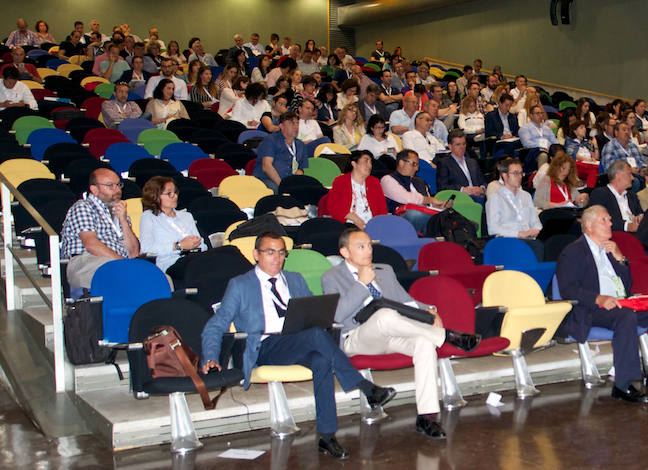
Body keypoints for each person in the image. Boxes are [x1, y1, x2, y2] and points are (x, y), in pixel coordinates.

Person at [200, 231, 392, 459]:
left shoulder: (295, 279)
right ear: (256, 254)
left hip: (297, 340)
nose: (277, 258)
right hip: (265, 345)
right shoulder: (240, 285)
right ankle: (365, 387)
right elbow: (216, 325)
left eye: (282, 253)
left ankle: (327, 436)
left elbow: (315, 312)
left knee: (321, 359)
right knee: (315, 336)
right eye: (270, 252)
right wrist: (210, 356)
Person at [322, 229, 481, 440]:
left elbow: (405, 302)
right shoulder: (331, 277)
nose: (368, 250)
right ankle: (449, 336)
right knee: (385, 314)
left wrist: (428, 310)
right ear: (344, 252)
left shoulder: (384, 270)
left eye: (369, 245)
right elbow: (337, 315)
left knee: (424, 344)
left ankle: (427, 416)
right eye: (360, 247)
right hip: (356, 337)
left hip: (390, 334)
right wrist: (362, 284)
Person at [555, 206, 648, 403]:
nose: (610, 223)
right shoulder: (572, 252)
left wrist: (620, 258)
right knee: (626, 316)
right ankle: (622, 384)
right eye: (604, 220)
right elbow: (568, 289)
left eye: (610, 219)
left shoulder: (611, 249)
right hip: (591, 310)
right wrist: (598, 298)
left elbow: (626, 286)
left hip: (619, 304)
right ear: (589, 225)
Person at [58, 168, 141, 289]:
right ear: (94, 190)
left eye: (118, 185)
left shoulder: (120, 211)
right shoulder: (83, 207)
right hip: (86, 261)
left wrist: (123, 220)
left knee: (162, 279)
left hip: (118, 262)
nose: (117, 190)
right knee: (122, 275)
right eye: (110, 186)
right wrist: (124, 264)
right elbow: (91, 244)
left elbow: (133, 252)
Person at [137, 176, 205, 274]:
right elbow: (146, 247)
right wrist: (179, 246)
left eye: (175, 192)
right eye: (169, 193)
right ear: (155, 196)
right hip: (171, 263)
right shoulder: (149, 217)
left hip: (194, 257)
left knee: (229, 251)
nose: (175, 196)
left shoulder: (186, 216)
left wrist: (197, 244)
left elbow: (201, 244)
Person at [587, 160, 648, 250]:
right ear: (618, 174)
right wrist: (627, 226)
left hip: (638, 234)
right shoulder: (600, 193)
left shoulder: (632, 196)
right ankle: (639, 247)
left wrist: (640, 217)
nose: (632, 178)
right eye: (629, 174)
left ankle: (638, 245)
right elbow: (598, 221)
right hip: (618, 235)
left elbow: (641, 213)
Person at [381, 150, 447, 235]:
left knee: (448, 214)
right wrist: (432, 200)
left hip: (424, 217)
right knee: (412, 214)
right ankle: (445, 222)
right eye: (413, 164)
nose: (417, 168)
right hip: (400, 219)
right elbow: (408, 199)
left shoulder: (419, 181)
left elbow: (428, 206)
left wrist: (439, 206)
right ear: (401, 163)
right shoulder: (387, 180)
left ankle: (447, 222)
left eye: (417, 165)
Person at [326, 151, 387, 229]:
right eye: (365, 161)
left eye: (370, 162)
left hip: (372, 225)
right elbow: (333, 205)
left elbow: (382, 208)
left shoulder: (374, 182)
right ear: (354, 164)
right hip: (349, 224)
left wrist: (378, 224)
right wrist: (354, 218)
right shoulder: (340, 181)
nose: (369, 165)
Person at [487, 158, 541, 241]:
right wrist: (519, 234)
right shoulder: (495, 198)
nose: (519, 177)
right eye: (515, 174)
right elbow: (493, 228)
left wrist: (537, 231)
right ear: (504, 175)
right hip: (508, 239)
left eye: (520, 173)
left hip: (528, 237)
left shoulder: (526, 196)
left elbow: (535, 222)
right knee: (537, 247)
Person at [255, 112, 313, 190]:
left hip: (289, 180)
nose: (296, 127)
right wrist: (282, 185)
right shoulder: (271, 140)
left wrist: (296, 181)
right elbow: (266, 166)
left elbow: (300, 169)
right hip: (268, 179)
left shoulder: (300, 145)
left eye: (297, 123)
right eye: (291, 123)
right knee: (275, 189)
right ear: (281, 126)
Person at [435, 129, 485, 203]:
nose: (462, 147)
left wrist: (482, 189)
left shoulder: (472, 162)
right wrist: (462, 190)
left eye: (464, 144)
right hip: (460, 198)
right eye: (458, 144)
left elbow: (483, 181)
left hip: (478, 195)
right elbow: (442, 186)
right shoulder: (444, 163)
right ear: (450, 146)